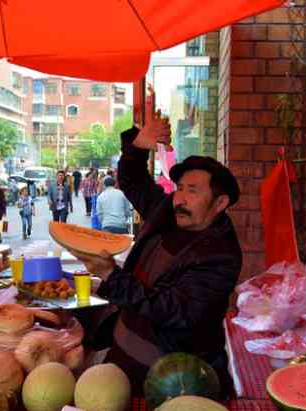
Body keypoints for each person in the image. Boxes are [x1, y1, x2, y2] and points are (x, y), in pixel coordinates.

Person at [69, 111, 242, 395]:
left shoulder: (220, 255)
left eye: (193, 191)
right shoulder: (168, 213)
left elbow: (172, 310)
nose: (181, 198)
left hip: (173, 382)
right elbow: (132, 180)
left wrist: (111, 275)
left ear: (220, 202)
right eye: (180, 188)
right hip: (122, 361)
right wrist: (137, 146)